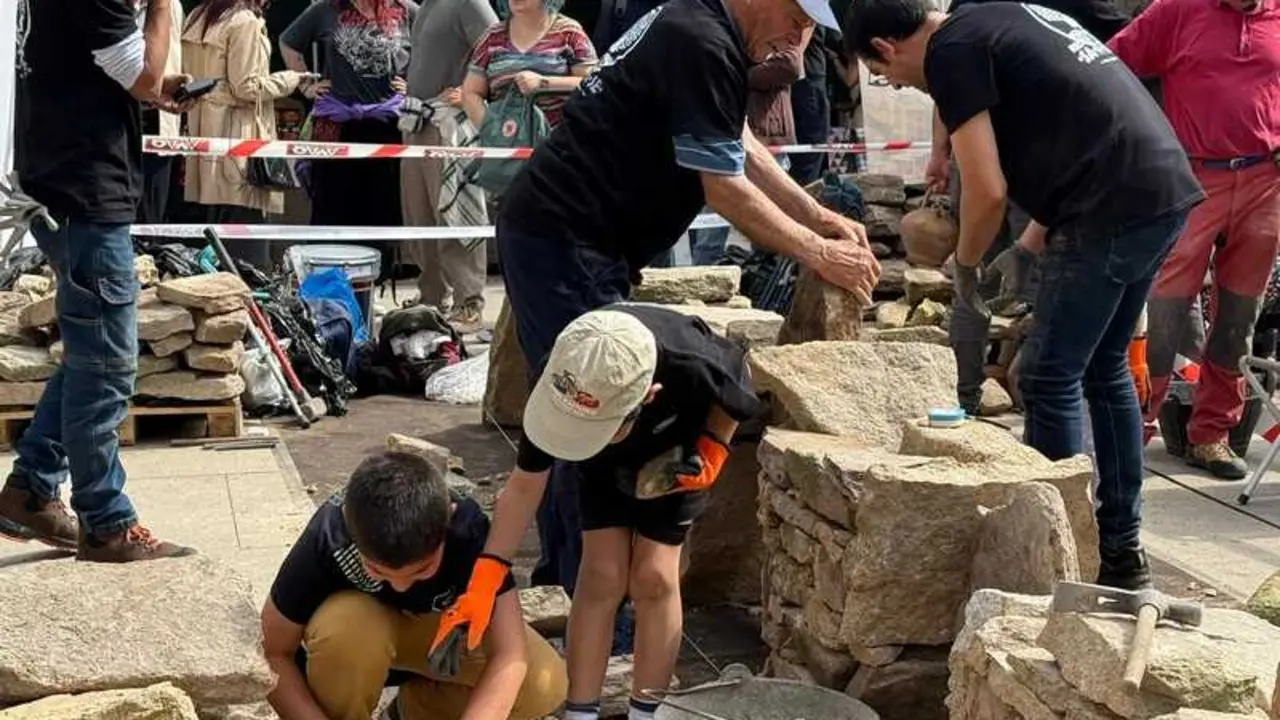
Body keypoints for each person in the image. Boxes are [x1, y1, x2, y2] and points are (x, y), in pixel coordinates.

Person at [431, 0, 878, 684]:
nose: (801, 37)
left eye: (813, 28)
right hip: (566, 240)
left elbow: (735, 142)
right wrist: (818, 251)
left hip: (581, 240)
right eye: (797, 16)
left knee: (583, 416)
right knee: (590, 414)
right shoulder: (700, 39)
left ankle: (576, 586)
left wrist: (817, 215)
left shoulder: (703, 31)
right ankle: (601, 621)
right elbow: (722, 186)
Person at [841, 0, 1203, 589]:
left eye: (887, 76)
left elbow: (985, 190)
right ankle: (1118, 550)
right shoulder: (996, 19)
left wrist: (964, 272)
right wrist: (1031, 244)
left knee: (1046, 376)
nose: (898, 84)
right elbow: (1074, 126)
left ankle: (1059, 563)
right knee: (1103, 367)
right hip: (1155, 185)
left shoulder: (952, 52)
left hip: (1111, 203)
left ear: (886, 46)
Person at [1, 0, 196, 561]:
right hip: (86, 188)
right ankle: (107, 522)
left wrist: (155, 80)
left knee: (90, 356)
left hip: (66, 183)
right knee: (107, 367)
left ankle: (31, 488)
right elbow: (142, 75)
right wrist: (162, 8)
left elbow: (116, 68)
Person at [510, 306, 758, 720]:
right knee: (601, 574)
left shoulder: (692, 360)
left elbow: (737, 388)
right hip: (596, 452)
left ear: (649, 394)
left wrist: (713, 447)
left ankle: (647, 712)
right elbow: (522, 486)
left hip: (674, 456)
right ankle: (580, 712)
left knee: (655, 576)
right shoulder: (566, 375)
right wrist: (488, 568)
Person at [919, 0, 1130, 414]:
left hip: (1025, 158)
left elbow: (1122, 47)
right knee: (993, 271)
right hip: (1000, 154)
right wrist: (939, 150)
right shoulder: (978, 9)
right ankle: (989, 391)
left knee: (1006, 272)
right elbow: (946, 81)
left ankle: (1014, 387)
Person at [1108, 0, 1280, 480]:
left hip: (1266, 180)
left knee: (1239, 315)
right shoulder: (1177, 11)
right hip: (1191, 177)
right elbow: (1111, 68)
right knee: (1162, 308)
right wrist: (1145, 144)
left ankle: (1212, 435)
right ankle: (1134, 428)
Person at [260, 452, 567, 720]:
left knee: (544, 682)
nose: (402, 586)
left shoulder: (468, 531)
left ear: (448, 520)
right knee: (347, 626)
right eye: (376, 570)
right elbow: (274, 652)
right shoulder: (327, 538)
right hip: (357, 641)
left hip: (438, 635)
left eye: (422, 570)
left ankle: (412, 712)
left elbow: (509, 653)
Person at [183, 0, 316, 266]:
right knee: (247, 239)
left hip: (204, 132)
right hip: (239, 135)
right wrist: (293, 79)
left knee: (214, 233)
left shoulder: (197, 16)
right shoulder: (244, 21)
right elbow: (248, 88)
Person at [280, 0, 414, 246]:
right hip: (336, 124)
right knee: (330, 206)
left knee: (381, 208)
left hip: (387, 126)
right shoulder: (325, 9)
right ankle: (329, 278)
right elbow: (288, 43)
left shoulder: (406, 10)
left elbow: (431, 49)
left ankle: (374, 275)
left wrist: (412, 84)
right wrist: (305, 84)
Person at [400, 0, 497, 329]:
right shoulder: (426, 5)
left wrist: (473, 90)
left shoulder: (470, 2)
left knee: (455, 211)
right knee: (420, 214)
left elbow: (497, 49)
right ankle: (431, 296)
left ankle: (468, 301)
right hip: (417, 120)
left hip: (450, 122)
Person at [460, 0, 598, 133]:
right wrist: (491, 129)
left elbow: (593, 82)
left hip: (559, 143)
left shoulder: (569, 32)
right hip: (507, 145)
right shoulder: (492, 36)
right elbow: (471, 92)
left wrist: (544, 83)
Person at [135, 0, 186, 231]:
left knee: (150, 210)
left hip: (156, 115)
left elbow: (170, 54)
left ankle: (148, 256)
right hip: (131, 110)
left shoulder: (169, 6)